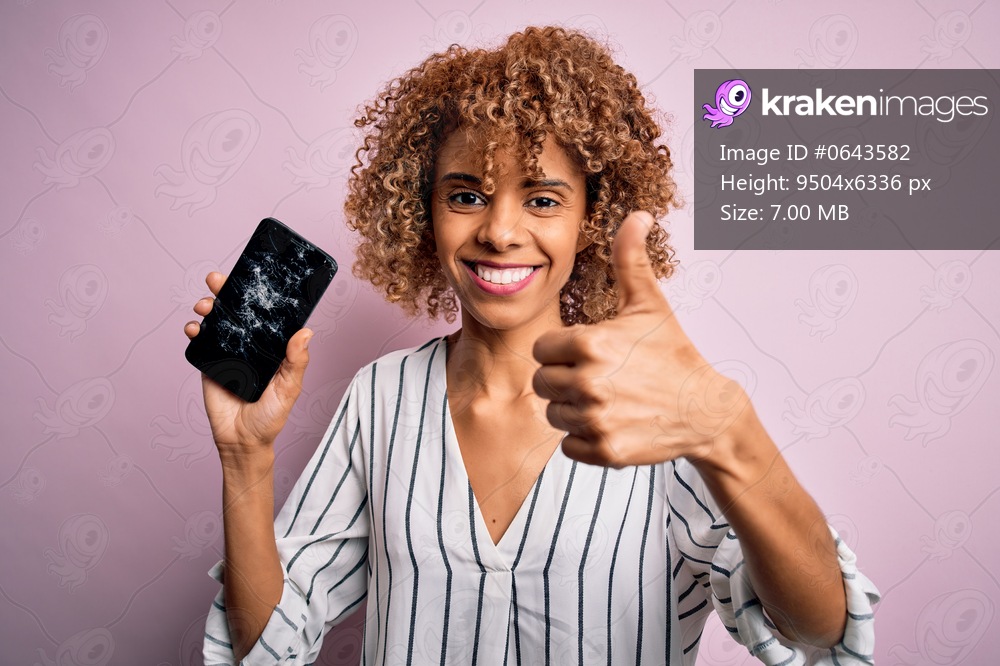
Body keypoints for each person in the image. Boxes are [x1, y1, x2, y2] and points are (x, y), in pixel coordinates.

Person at [191, 26, 879, 665]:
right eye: (466, 195)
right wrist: (244, 459)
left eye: (544, 200)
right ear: (423, 214)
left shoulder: (658, 405)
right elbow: (266, 647)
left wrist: (730, 428)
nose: (499, 231)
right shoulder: (381, 397)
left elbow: (817, 630)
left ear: (592, 219)